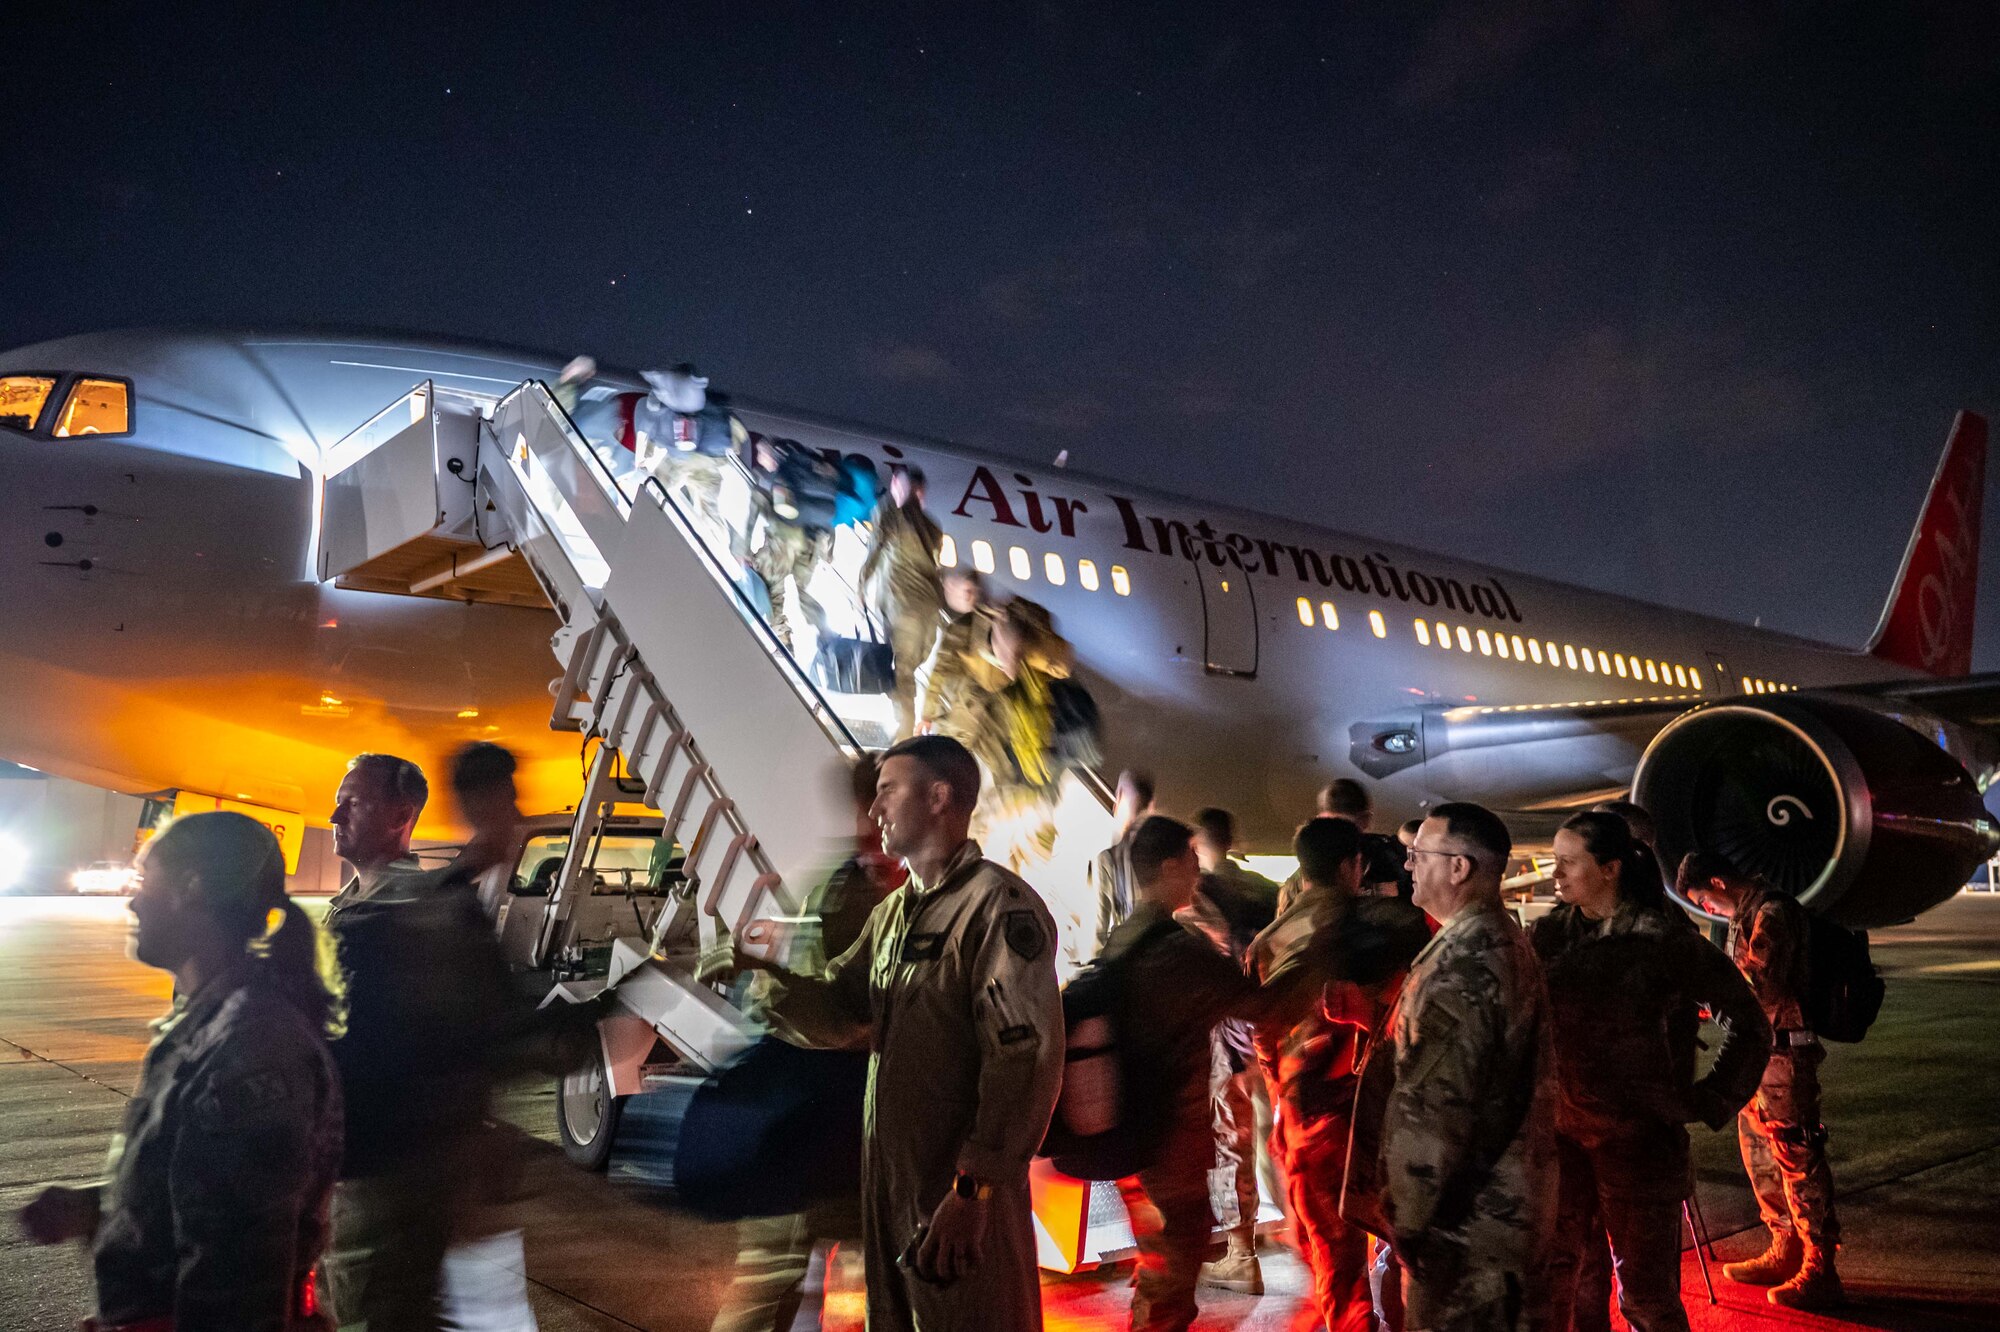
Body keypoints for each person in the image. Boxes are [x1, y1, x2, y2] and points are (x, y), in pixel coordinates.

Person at [738, 736, 1064, 1332]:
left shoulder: (997, 909)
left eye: (889, 790)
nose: (874, 809)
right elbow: (843, 1013)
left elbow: (1024, 1060)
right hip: (893, 1195)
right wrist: (765, 976)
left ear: (939, 797)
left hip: (956, 1201)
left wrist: (975, 1192)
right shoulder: (893, 915)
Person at [20, 812, 344, 1330]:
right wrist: (100, 1211)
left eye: (146, 880)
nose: (132, 900)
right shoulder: (207, 1022)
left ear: (191, 889)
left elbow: (237, 1280)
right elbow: (194, 1198)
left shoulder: (253, 1050)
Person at [320, 750, 542, 1332]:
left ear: (400, 816)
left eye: (354, 802)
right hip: (360, 1172)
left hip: (397, 1179)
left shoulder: (423, 911)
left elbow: (486, 1035)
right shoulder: (350, 908)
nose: (334, 814)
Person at [1532, 814, 1770, 1332]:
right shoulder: (1548, 938)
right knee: (1569, 1288)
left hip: (1638, 1148)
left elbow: (1751, 1027)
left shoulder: (1663, 941)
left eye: (1568, 862)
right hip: (1561, 1144)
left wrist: (1706, 1101)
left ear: (1611, 868)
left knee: (1646, 1299)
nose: (1555, 874)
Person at [1105, 815, 1334, 1331]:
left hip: (1132, 1122)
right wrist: (1314, 951)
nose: (1197, 871)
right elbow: (1267, 1008)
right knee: (1176, 1252)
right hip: (1169, 1128)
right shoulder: (1179, 950)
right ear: (1167, 866)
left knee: (1159, 1254)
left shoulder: (1125, 936)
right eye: (1189, 859)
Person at [713, 755, 905, 1332]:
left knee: (793, 1276)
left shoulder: (844, 880)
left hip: (833, 1115)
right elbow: (831, 1007)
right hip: (831, 1114)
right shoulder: (861, 888)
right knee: (785, 1276)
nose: (876, 816)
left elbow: (785, 991)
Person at [1350, 802, 1556, 1332]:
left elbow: (1433, 1112)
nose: (1408, 865)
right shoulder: (1498, 940)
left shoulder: (1463, 963)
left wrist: (1409, 1223)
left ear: (1459, 868)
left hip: (1464, 1230)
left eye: (1418, 855)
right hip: (1496, 1214)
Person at [1246, 816, 1431, 1332]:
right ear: (1356, 865)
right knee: (1413, 1251)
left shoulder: (1266, 943)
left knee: (1337, 1270)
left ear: (1301, 868)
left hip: (1308, 1123)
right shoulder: (1391, 926)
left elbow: (1263, 1042)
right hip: (1384, 1118)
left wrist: (1285, 1105)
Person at [1677, 853, 1843, 1310]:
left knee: (1796, 1155)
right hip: (1757, 1053)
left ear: (1717, 881)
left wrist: (1700, 990)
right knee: (1760, 1156)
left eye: (1705, 900)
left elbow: (1757, 984)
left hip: (1784, 1055)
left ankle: (1819, 1265)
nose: (1709, 910)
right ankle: (1783, 1245)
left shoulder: (1772, 913)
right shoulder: (1745, 915)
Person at [1186, 805, 1283, 1289]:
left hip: (1227, 1038)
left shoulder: (1199, 896)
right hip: (1272, 1032)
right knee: (1279, 1139)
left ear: (1196, 844)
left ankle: (1240, 1251)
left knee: (1232, 1143)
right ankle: (1303, 1235)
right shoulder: (1265, 889)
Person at [859, 465, 947, 741]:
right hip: (929, 610)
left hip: (902, 607)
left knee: (901, 672)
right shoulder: (934, 528)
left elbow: (875, 551)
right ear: (921, 493)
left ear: (899, 485)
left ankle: (905, 733)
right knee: (909, 667)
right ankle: (906, 726)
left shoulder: (889, 513)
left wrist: (860, 589)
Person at [747, 436, 839, 654]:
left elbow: (785, 516)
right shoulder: (810, 473)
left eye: (762, 455)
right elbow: (826, 519)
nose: (760, 460)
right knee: (803, 593)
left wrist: (748, 551)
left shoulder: (783, 477)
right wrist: (828, 552)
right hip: (812, 543)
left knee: (769, 585)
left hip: (785, 543)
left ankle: (784, 640)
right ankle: (827, 637)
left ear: (773, 455)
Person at [918, 570, 1005, 742]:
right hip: (994, 707)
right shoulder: (1000, 620)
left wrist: (927, 715)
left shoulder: (959, 627)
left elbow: (940, 671)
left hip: (966, 704)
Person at [1089, 769, 1157, 956]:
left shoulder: (1108, 859)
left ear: (1119, 797)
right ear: (1151, 805)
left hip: (1128, 963)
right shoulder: (1162, 854)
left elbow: (1099, 932)